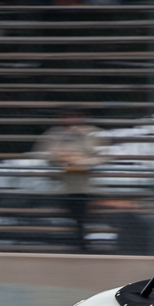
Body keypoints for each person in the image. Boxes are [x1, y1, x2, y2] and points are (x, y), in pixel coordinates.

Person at [33, 107, 107, 251]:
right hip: (62, 186)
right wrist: (57, 155)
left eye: (74, 116)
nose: (70, 120)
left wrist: (83, 161)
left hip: (85, 186)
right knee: (71, 219)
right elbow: (41, 153)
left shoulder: (93, 133)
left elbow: (103, 157)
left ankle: (83, 247)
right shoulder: (54, 134)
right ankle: (76, 246)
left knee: (82, 219)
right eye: (66, 116)